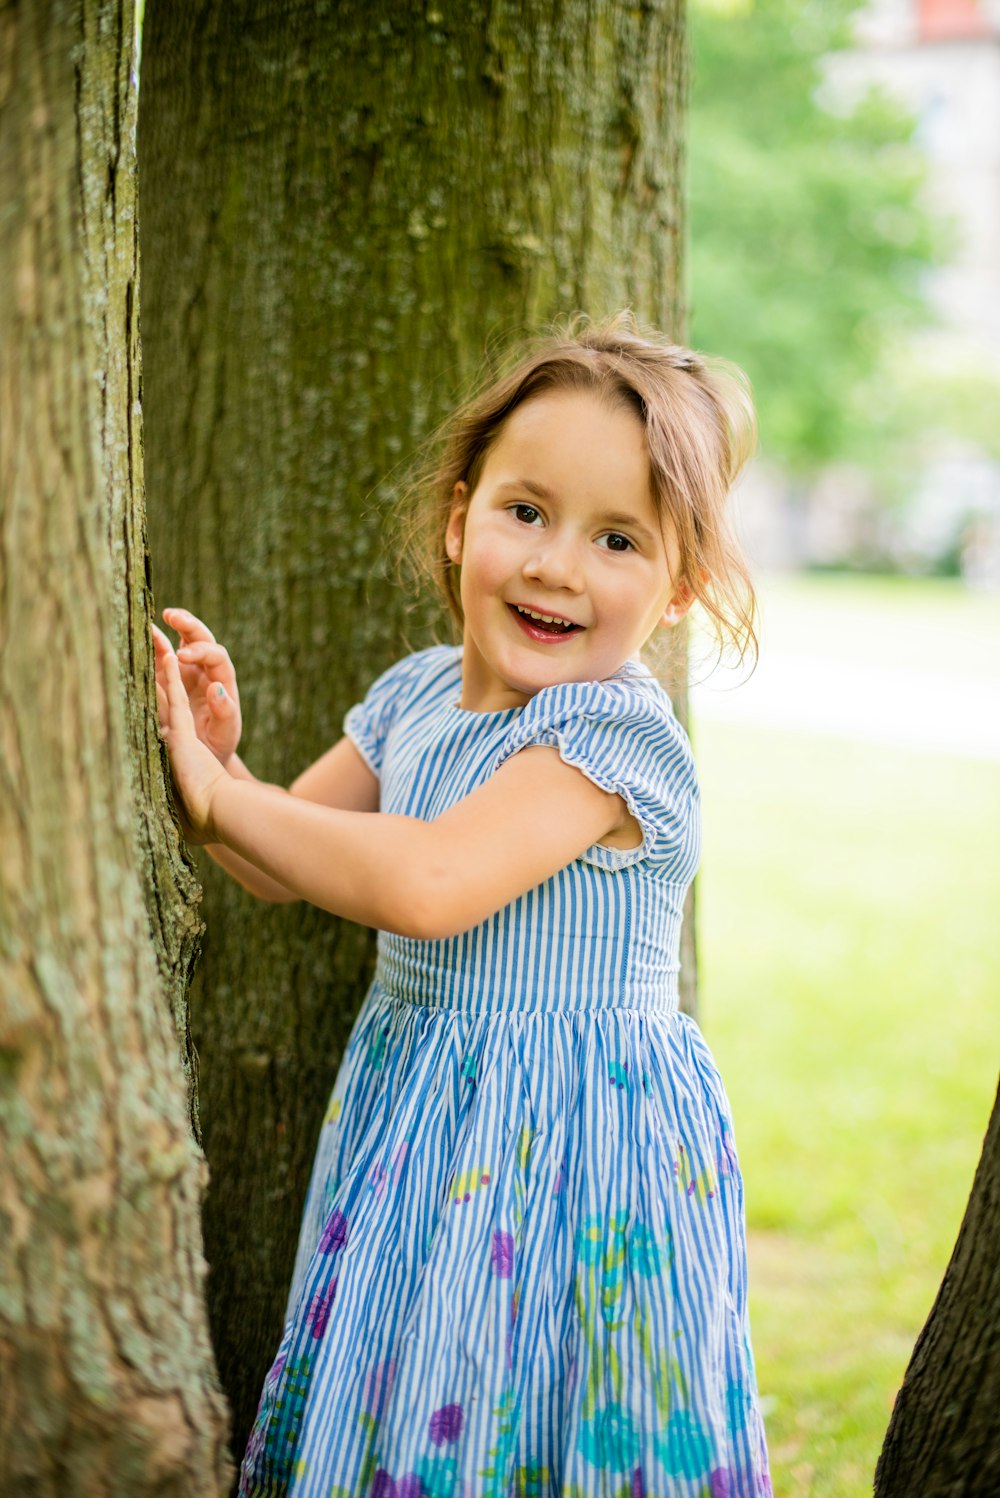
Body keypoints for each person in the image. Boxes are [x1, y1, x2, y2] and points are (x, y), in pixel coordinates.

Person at [152, 316, 772, 1498]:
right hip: (424, 1121)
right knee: (418, 1387)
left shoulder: (610, 734)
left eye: (617, 539)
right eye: (525, 512)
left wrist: (222, 802)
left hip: (580, 1148)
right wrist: (223, 777)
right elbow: (285, 858)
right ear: (458, 513)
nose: (556, 565)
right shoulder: (415, 696)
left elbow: (427, 882)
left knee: (541, 1400)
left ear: (679, 587)